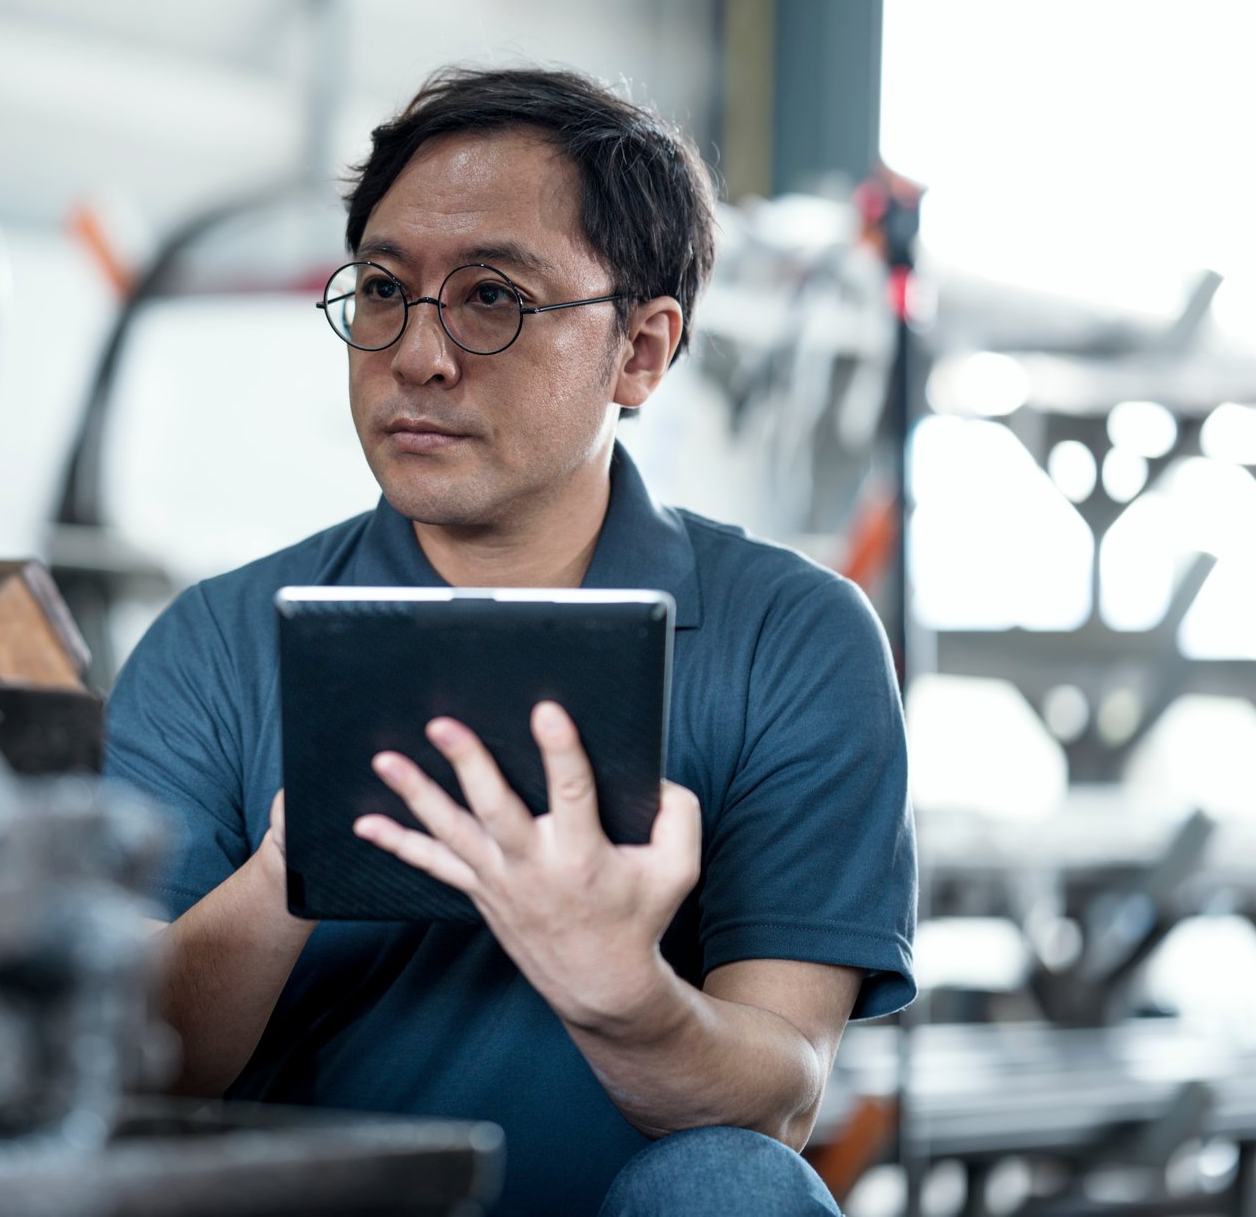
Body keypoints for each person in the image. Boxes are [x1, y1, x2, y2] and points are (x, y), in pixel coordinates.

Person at [102, 64, 915, 1216]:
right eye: (382, 289)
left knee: (729, 1187)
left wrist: (618, 995)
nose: (417, 354)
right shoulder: (218, 644)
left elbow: (779, 1096)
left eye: (492, 298)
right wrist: (294, 868)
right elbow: (129, 1066)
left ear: (638, 350)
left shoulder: (792, 638)